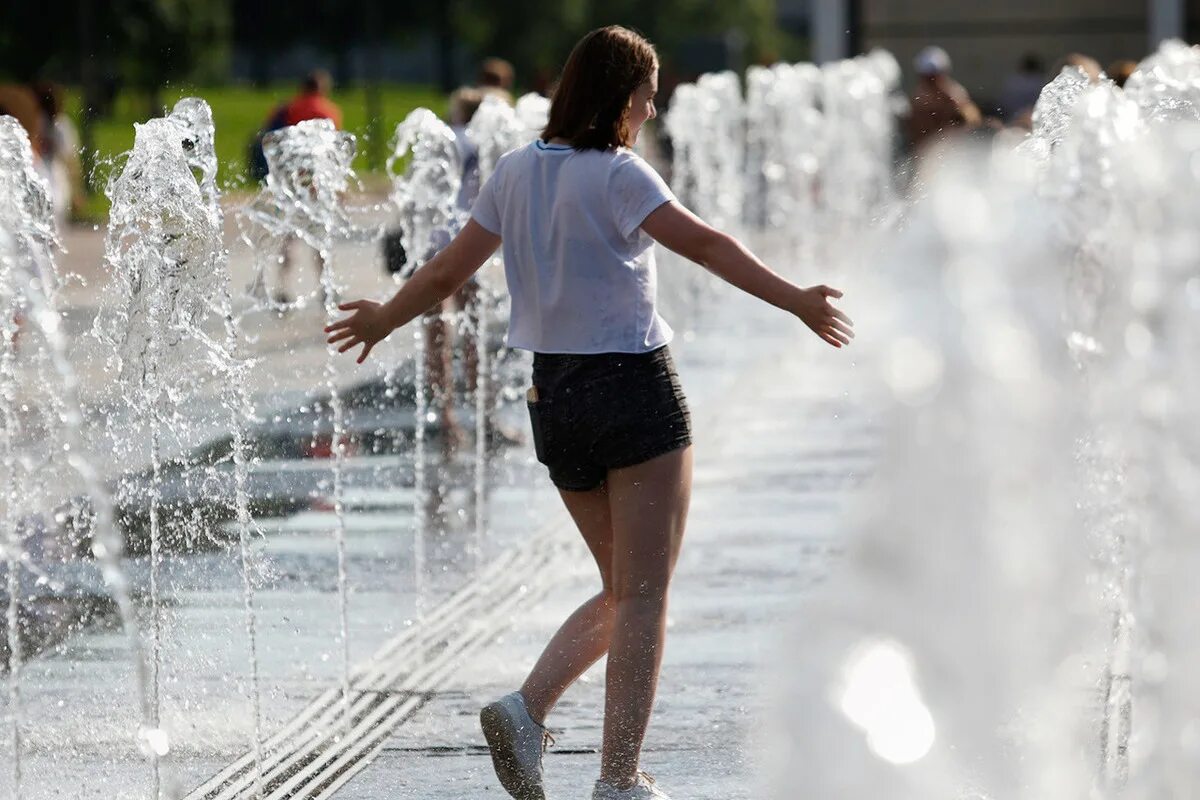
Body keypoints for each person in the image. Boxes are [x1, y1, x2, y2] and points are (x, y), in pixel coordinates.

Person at [324, 25, 852, 800]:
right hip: (634, 390)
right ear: (622, 95)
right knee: (645, 594)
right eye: (648, 92)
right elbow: (706, 245)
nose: (653, 104)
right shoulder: (620, 175)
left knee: (622, 587)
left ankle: (527, 709)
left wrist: (383, 320)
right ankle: (618, 778)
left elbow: (443, 273)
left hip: (554, 398)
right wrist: (796, 300)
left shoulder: (514, 172)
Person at [255, 70, 344, 305]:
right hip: (316, 184)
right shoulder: (329, 111)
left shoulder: (287, 109)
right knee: (320, 237)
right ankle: (326, 288)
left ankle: (282, 288)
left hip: (290, 182)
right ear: (322, 87)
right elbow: (330, 152)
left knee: (287, 237)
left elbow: (271, 143)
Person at [907, 45, 982, 154]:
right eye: (928, 78)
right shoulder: (918, 100)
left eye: (935, 77)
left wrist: (955, 106)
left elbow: (974, 122)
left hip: (952, 153)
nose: (933, 82)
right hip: (927, 154)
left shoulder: (955, 94)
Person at [999, 53, 1046, 129]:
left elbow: (1003, 104)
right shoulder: (1039, 82)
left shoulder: (1011, 81)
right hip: (1031, 120)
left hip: (1011, 120)